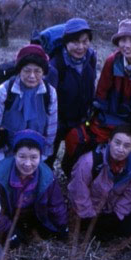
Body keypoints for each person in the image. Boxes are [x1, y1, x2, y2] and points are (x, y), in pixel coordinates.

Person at [70, 19, 131, 165]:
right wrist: (98, 122)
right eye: (123, 40)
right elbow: (101, 95)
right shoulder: (112, 61)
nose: (127, 45)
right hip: (112, 125)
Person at [0, 130, 68, 245]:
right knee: (11, 243)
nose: (27, 164)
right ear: (14, 155)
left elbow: (56, 204)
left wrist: (62, 225)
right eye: (22, 157)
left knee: (51, 233)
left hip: (34, 215)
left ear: (40, 157)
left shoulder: (47, 175)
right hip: (9, 217)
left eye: (33, 157)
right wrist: (8, 231)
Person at [67, 125, 131, 240]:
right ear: (109, 141)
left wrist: (117, 214)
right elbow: (78, 192)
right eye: (117, 143)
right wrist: (90, 217)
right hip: (88, 211)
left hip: (111, 211)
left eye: (127, 146)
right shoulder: (89, 161)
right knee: (96, 234)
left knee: (129, 231)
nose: (121, 149)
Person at [0, 44, 58, 163]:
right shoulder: (4, 91)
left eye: (37, 71)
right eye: (27, 70)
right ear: (19, 70)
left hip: (35, 151)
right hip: (7, 150)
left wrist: (45, 153)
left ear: (43, 72)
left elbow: (51, 126)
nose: (32, 76)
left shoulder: (50, 93)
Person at [48, 18, 97, 172]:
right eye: (75, 42)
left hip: (80, 119)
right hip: (58, 121)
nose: (80, 47)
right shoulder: (55, 66)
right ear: (66, 42)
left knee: (75, 155)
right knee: (49, 156)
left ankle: (70, 175)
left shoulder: (91, 58)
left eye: (85, 41)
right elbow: (48, 99)